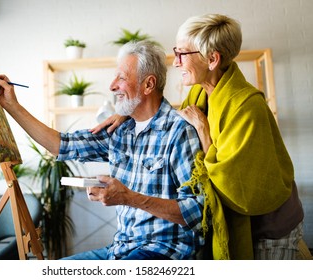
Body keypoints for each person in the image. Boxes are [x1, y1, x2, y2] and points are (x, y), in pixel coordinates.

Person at [93, 14, 304, 260]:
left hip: (269, 226)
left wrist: (203, 129)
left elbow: (235, 184)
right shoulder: (198, 94)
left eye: (183, 54)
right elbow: (174, 115)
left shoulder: (247, 106)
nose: (176, 62)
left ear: (212, 59)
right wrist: (129, 112)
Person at [0, 40, 205, 260]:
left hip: (164, 252)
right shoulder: (120, 129)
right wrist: (11, 106)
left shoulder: (179, 131)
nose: (112, 86)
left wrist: (130, 198)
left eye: (121, 78)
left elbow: (197, 211)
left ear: (148, 85)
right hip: (120, 249)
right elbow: (61, 145)